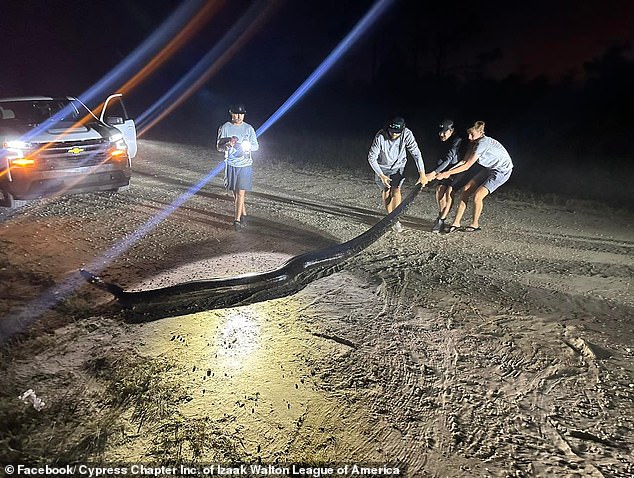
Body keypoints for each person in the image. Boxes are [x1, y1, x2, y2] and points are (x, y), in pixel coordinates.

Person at [436, 121, 513, 232]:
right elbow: (463, 161)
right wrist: (445, 172)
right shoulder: (474, 142)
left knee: (477, 196)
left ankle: (474, 224)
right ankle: (456, 223)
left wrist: (446, 174)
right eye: (468, 133)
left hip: (502, 171)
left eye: (472, 134)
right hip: (489, 168)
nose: (469, 136)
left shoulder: (482, 144)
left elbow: (467, 166)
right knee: (466, 190)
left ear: (481, 132)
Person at [367, 117, 429, 232]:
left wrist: (422, 173)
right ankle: (389, 217)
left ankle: (395, 219)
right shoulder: (380, 136)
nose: (394, 135)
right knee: (386, 191)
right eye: (392, 132)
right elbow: (371, 158)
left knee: (396, 190)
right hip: (382, 167)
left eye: (397, 133)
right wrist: (381, 175)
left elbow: (416, 153)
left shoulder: (407, 134)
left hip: (398, 166)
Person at [216, 104, 259, 231]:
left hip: (245, 164)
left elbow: (256, 146)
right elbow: (218, 146)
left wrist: (247, 146)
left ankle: (237, 220)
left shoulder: (249, 128)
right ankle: (244, 214)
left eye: (241, 114)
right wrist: (228, 144)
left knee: (241, 192)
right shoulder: (225, 127)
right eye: (236, 114)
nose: (239, 116)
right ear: (231, 114)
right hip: (231, 163)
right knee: (236, 192)